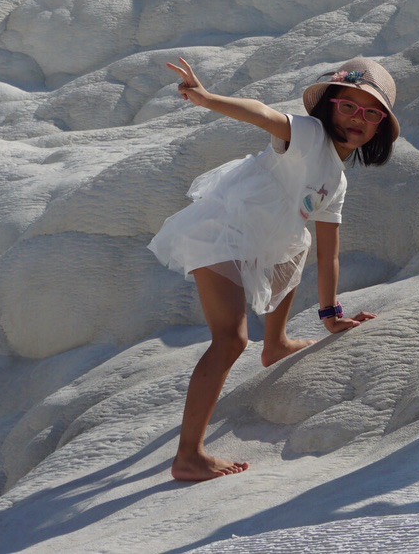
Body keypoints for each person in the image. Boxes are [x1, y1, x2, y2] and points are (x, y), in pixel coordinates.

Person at [149, 55, 400, 482]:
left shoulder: (336, 182)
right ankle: (189, 455)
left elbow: (329, 251)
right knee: (230, 341)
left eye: (371, 111)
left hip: (264, 236)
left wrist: (330, 315)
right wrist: (207, 99)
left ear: (380, 127)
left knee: (296, 243)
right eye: (348, 106)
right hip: (221, 232)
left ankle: (277, 343)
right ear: (328, 107)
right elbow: (263, 114)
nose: (359, 117)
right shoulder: (308, 133)